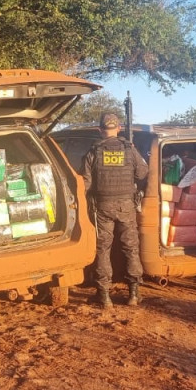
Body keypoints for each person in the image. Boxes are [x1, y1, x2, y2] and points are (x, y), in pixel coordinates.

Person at [81, 112, 149, 308]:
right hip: (126, 205)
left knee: (103, 249)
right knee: (131, 248)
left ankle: (104, 296)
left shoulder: (94, 150)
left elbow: (85, 182)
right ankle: (134, 295)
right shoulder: (129, 149)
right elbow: (143, 172)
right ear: (118, 128)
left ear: (100, 130)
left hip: (103, 206)